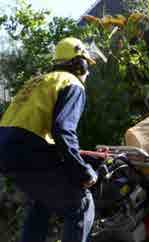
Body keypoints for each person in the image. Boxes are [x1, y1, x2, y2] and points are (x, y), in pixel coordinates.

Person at [0, 37, 100, 242]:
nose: (88, 72)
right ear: (79, 64)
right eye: (87, 66)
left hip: (8, 150)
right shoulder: (72, 83)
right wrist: (82, 171)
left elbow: (36, 126)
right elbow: (63, 130)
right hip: (28, 150)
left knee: (43, 202)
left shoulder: (39, 81)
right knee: (82, 204)